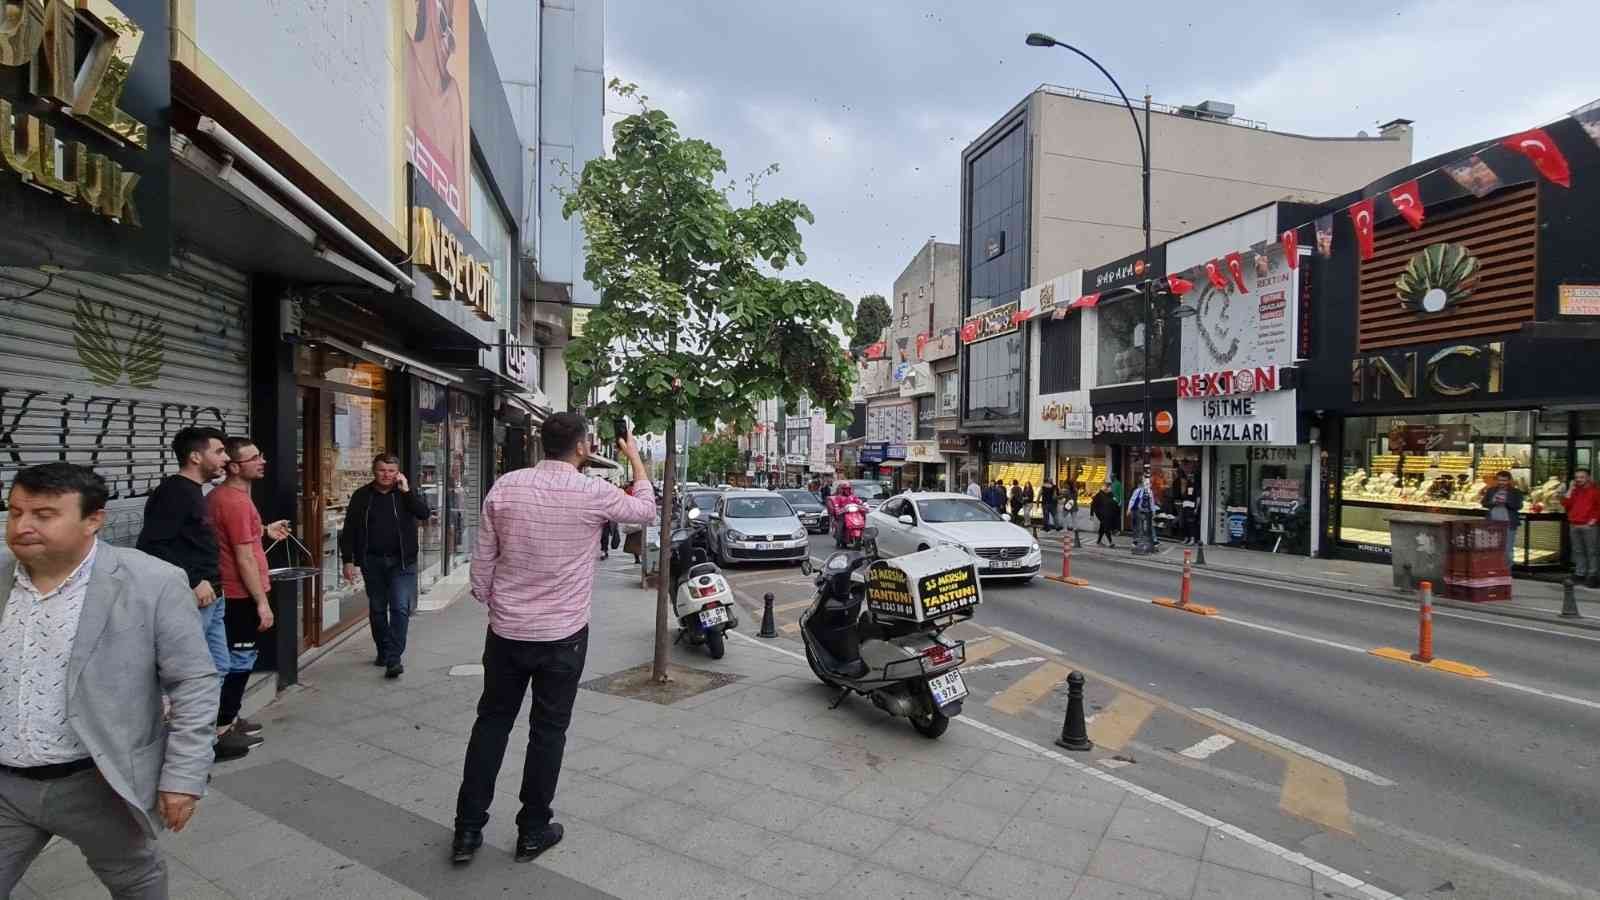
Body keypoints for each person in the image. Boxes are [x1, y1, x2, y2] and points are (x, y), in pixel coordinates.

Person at [1, 463, 218, 897]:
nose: (23, 526)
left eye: (44, 515)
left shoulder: (151, 581)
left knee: (135, 882)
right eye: (14, 511)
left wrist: (182, 777)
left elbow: (193, 681)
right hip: (7, 787)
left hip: (100, 783)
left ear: (93, 520)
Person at [453, 413, 656, 866]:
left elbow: (483, 557)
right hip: (562, 636)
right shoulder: (592, 492)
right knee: (548, 731)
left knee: (491, 724)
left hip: (506, 632)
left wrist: (489, 596)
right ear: (583, 446)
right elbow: (645, 510)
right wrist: (634, 456)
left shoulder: (506, 486)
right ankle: (532, 830)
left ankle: (467, 830)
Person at [137, 426, 259, 762]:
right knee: (185, 676)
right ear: (195, 456)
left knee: (217, 668)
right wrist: (192, 580)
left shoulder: (197, 492)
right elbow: (152, 544)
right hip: (194, 599)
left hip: (213, 598)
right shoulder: (175, 493)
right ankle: (173, 750)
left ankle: (204, 742)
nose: (224, 458)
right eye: (219, 452)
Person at [208, 438, 290, 736]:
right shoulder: (234, 502)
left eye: (261, 454)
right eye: (253, 458)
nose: (262, 461)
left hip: (233, 591)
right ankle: (223, 726)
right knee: (240, 658)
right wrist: (262, 602)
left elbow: (239, 540)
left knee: (235, 656)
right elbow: (243, 557)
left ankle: (228, 717)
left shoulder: (226, 497)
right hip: (239, 594)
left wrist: (264, 531)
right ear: (232, 466)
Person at [340, 454, 432, 679]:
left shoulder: (404, 495)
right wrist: (348, 560)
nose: (386, 475)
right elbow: (349, 529)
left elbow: (424, 513)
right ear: (374, 470)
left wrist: (407, 491)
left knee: (400, 608)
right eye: (382, 470)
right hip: (373, 561)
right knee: (378, 609)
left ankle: (393, 659)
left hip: (402, 562)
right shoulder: (363, 496)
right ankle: (383, 650)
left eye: (391, 471)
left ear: (398, 472)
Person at [1482, 470, 1524, 569]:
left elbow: (1518, 506)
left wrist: (1506, 502)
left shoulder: (1516, 492)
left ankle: (1507, 570)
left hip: (1509, 523)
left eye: (1504, 480)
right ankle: (1494, 569)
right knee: (1492, 547)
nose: (1502, 483)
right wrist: (1494, 503)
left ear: (1509, 481)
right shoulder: (1491, 490)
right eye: (1500, 480)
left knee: (1507, 549)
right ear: (1497, 480)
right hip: (1492, 522)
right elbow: (1484, 503)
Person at [1567, 469, 1600, 588]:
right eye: (1577, 477)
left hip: (1588, 525)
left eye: (1582, 477)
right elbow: (1566, 504)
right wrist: (1570, 489)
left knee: (1592, 551)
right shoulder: (1575, 491)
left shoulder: (1595, 491)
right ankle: (1580, 573)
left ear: (1588, 478)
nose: (1578, 479)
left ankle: (1592, 575)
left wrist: (1595, 519)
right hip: (1574, 524)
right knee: (1578, 551)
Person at [1128, 477, 1160, 548]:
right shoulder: (1138, 490)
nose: (1150, 485)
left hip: (1147, 511)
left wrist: (1153, 511)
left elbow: (1152, 502)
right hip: (1139, 511)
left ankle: (1154, 541)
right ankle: (1137, 541)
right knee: (1139, 526)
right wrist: (1129, 509)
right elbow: (1132, 500)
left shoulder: (1149, 492)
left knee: (1150, 525)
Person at [1091, 482, 1120, 547]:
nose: (1110, 489)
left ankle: (1098, 541)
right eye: (1109, 487)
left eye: (1110, 487)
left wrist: (1116, 504)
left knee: (1103, 527)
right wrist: (1091, 514)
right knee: (1106, 527)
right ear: (1105, 487)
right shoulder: (1099, 494)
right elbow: (1092, 504)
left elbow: (1114, 503)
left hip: (1108, 514)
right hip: (1101, 514)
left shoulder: (1111, 494)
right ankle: (1111, 542)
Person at [1178, 477, 1201, 545]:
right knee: (1185, 523)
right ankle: (1186, 538)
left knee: (1191, 523)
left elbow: (1198, 497)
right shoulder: (1187, 486)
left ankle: (1192, 539)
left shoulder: (1196, 486)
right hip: (1185, 506)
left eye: (1191, 476)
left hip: (1191, 506)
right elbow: (1183, 495)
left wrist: (1196, 508)